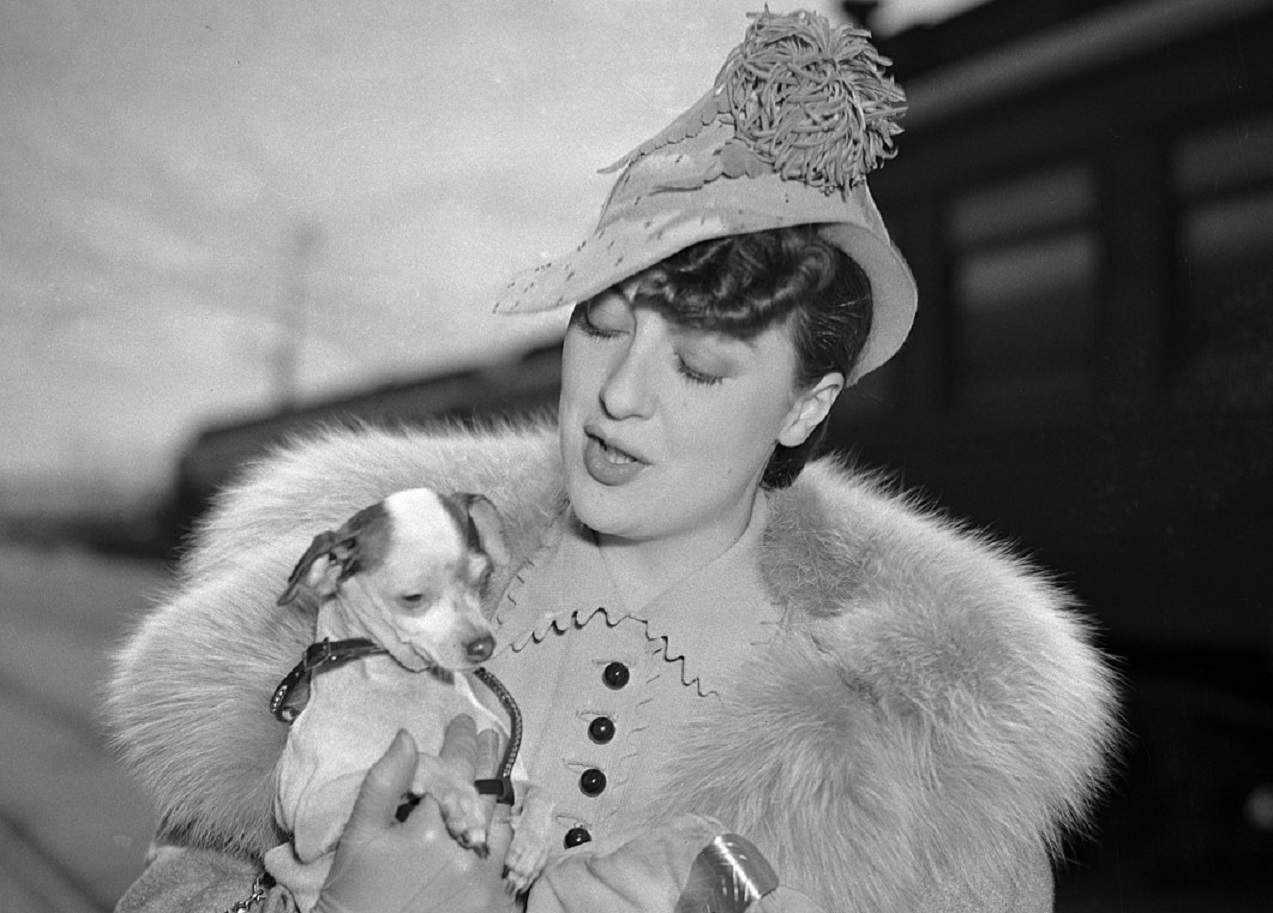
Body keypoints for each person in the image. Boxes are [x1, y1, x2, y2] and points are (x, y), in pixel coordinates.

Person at [106, 9, 1119, 913]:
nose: (618, 395)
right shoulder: (353, 603)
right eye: (600, 325)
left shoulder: (931, 742)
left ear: (804, 405)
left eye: (698, 364)